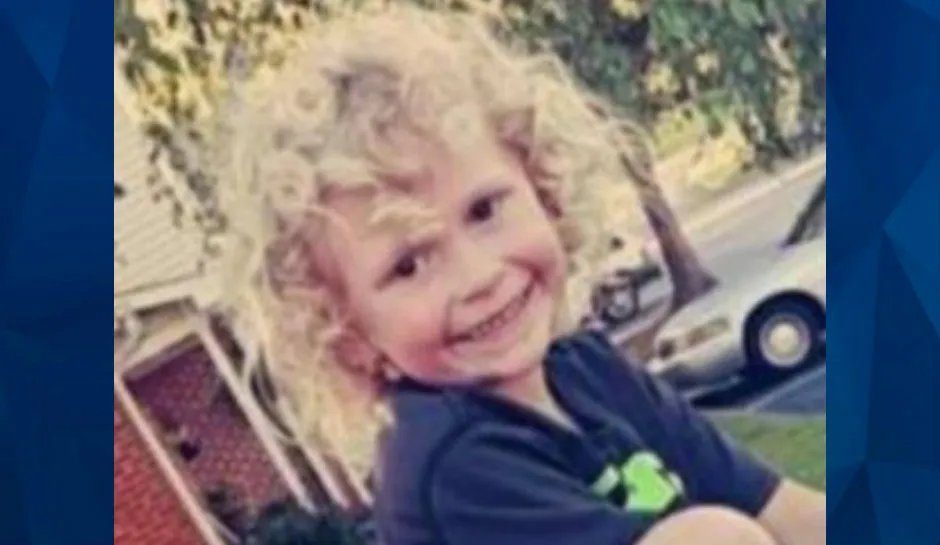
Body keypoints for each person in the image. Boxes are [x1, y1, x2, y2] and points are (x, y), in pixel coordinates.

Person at [213, 4, 826, 545]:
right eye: (409, 265)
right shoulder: (453, 469)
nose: (478, 276)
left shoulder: (591, 371)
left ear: (542, 187)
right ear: (349, 333)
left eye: (484, 210)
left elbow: (784, 510)